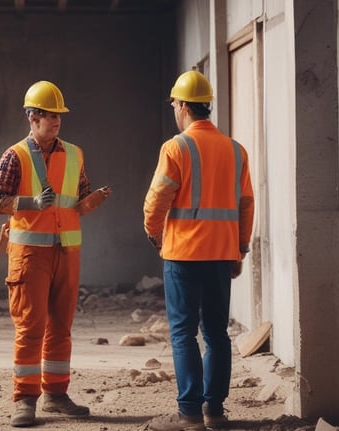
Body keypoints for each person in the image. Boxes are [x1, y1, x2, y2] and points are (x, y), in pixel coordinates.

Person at [0, 80, 111, 427]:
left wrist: (92, 201)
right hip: (30, 253)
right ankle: (25, 399)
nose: (56, 121)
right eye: (49, 115)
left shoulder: (74, 154)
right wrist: (30, 203)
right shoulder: (15, 156)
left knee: (60, 325)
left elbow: (78, 199)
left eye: (59, 115)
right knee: (31, 326)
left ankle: (56, 395)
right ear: (32, 117)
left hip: (67, 251)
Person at [143, 70, 255, 431]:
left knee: (183, 333)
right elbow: (246, 203)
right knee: (217, 333)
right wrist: (239, 247)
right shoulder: (236, 150)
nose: (174, 109)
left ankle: (190, 413)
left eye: (174, 104)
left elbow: (157, 199)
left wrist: (154, 233)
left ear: (183, 106)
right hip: (222, 254)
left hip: (183, 255)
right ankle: (215, 411)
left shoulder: (176, 147)